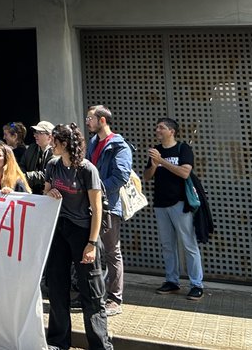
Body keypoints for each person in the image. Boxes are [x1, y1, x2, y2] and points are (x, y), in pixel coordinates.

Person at [44, 123, 112, 350]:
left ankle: (100, 344)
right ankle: (57, 342)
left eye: (54, 141)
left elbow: (97, 208)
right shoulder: (52, 165)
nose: (51, 144)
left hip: (83, 231)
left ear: (64, 144)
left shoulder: (86, 169)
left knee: (91, 291)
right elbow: (47, 190)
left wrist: (92, 243)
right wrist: (49, 192)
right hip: (60, 229)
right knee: (56, 286)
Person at [145, 117, 204, 300]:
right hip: (161, 204)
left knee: (188, 244)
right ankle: (172, 280)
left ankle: (196, 284)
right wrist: (154, 165)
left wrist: (161, 161)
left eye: (161, 127)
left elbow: (185, 172)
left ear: (172, 131)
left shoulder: (182, 149)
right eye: (157, 128)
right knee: (167, 245)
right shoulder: (157, 151)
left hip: (180, 203)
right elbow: (147, 176)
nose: (157, 130)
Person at [86, 105, 133, 316]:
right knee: (90, 250)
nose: (88, 122)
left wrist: (97, 190)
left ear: (102, 121)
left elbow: (121, 177)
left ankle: (115, 299)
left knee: (112, 251)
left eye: (90, 118)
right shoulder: (93, 143)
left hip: (108, 206)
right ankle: (91, 293)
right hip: (88, 204)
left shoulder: (119, 146)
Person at [23, 121, 56, 195]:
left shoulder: (55, 152)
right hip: (30, 193)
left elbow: (47, 175)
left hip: (48, 195)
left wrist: (24, 177)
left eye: (39, 133)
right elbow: (22, 165)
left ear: (50, 136)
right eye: (35, 132)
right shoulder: (31, 148)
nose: (35, 135)